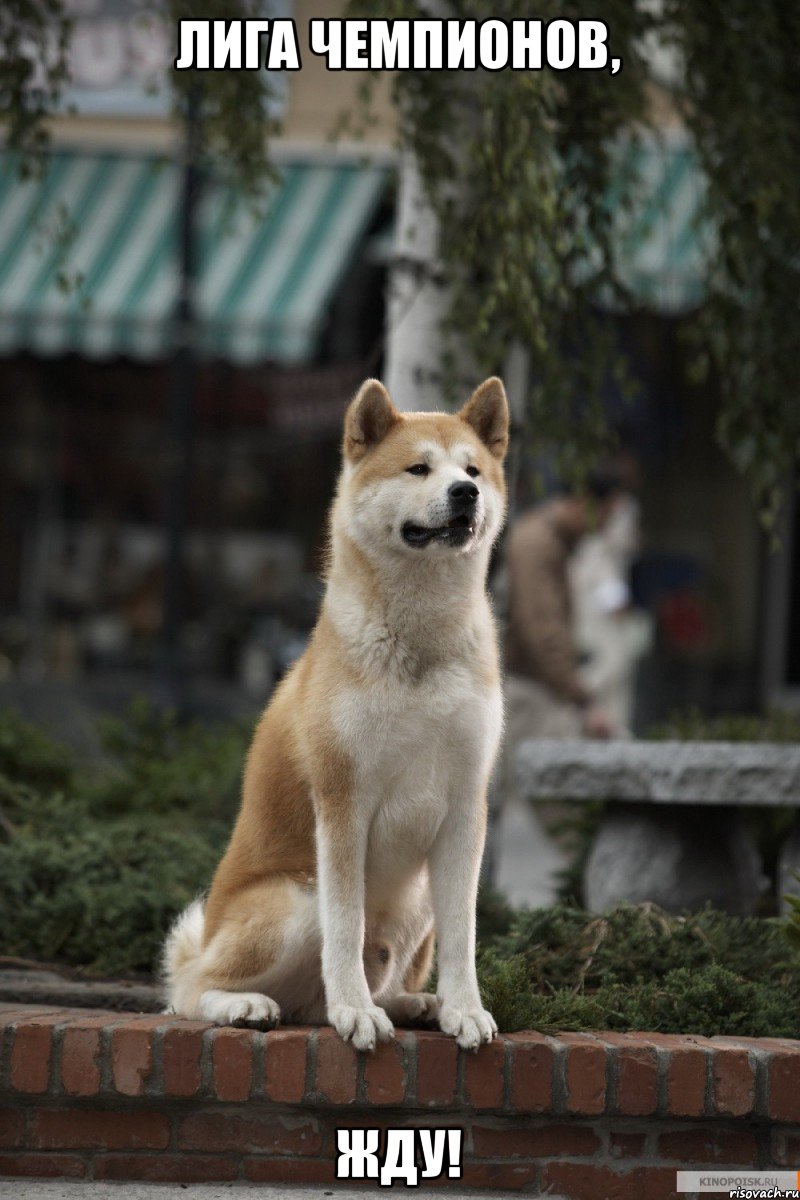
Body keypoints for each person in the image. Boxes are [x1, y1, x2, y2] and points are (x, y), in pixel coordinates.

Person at [504, 469, 627, 743]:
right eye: (607, 514)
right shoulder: (538, 544)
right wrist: (583, 701)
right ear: (586, 502)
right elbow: (542, 630)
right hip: (526, 691)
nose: (605, 526)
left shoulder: (551, 541)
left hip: (537, 687)